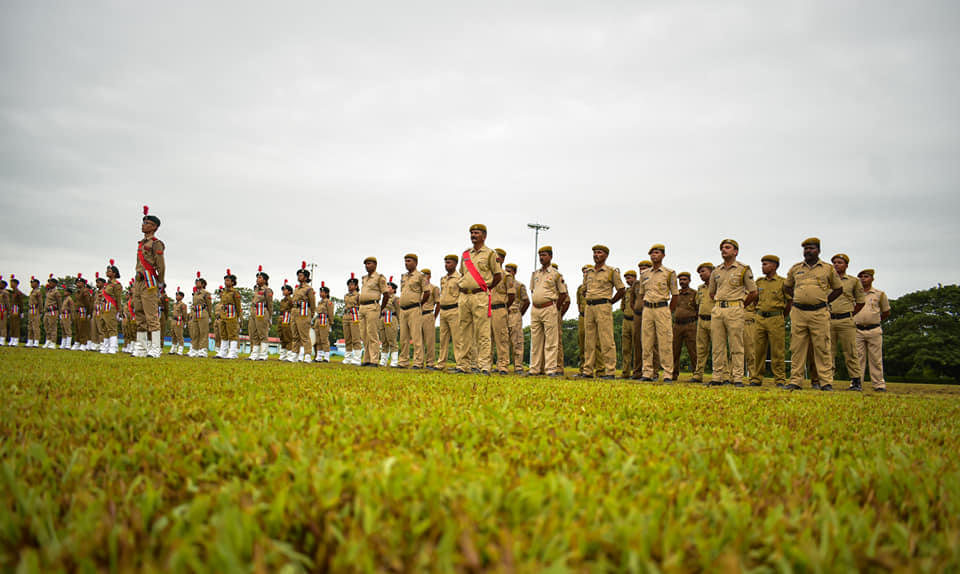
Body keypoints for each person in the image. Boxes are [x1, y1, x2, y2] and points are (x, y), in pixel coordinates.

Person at [784, 238, 843, 391]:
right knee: (797, 348)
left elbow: (838, 289)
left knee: (822, 347)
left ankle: (826, 382)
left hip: (819, 313)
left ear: (818, 250)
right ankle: (795, 381)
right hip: (798, 312)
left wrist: (823, 300)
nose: (808, 251)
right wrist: (797, 297)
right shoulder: (796, 268)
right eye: (805, 249)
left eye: (811, 248)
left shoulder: (828, 268)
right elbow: (787, 286)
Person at [708, 239, 758, 387]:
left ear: (735, 251)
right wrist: (720, 304)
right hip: (718, 308)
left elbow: (753, 292)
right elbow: (712, 293)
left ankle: (737, 377)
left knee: (736, 345)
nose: (724, 250)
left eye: (728, 247)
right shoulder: (716, 271)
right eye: (722, 248)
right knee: (717, 346)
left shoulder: (743, 269)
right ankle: (717, 376)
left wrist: (741, 304)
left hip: (735, 308)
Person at [456, 224, 502, 374]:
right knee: (463, 332)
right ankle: (463, 365)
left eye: (476, 233)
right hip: (464, 296)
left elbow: (498, 275)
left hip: (480, 296)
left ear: (484, 236)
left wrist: (487, 289)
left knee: (483, 332)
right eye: (471, 233)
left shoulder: (490, 254)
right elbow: (463, 274)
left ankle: (484, 366)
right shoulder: (465, 255)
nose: (473, 235)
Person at [578, 245, 625, 380]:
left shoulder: (611, 271)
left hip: (603, 306)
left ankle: (610, 371)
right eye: (594, 252)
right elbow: (584, 289)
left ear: (606, 255)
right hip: (589, 306)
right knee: (589, 340)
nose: (596, 255)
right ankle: (587, 370)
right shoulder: (589, 272)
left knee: (606, 339)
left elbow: (621, 290)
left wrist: (611, 302)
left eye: (599, 252)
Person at [635, 244, 678, 382]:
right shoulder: (644, 274)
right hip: (647, 309)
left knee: (665, 342)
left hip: (662, 308)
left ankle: (667, 373)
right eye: (652, 253)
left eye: (657, 252)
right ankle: (647, 373)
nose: (654, 255)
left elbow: (675, 295)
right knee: (646, 342)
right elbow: (641, 294)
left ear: (663, 255)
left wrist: (668, 311)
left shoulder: (669, 273)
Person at [527, 246, 567, 376]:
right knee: (536, 340)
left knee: (551, 341)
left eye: (544, 255)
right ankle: (534, 369)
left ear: (550, 257)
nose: (541, 257)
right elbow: (533, 290)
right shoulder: (535, 274)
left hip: (549, 308)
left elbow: (563, 294)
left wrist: (555, 307)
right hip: (536, 309)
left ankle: (550, 369)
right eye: (540, 255)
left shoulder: (556, 274)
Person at [132, 206, 166, 358]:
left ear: (154, 227)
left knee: (151, 315)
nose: (143, 225)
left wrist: (160, 283)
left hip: (150, 281)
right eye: (143, 222)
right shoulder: (140, 243)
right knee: (139, 314)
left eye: (146, 223)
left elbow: (161, 265)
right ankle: (141, 347)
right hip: (138, 281)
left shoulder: (156, 243)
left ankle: (155, 347)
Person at [751, 255, 789, 387]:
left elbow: (789, 301)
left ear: (774, 266)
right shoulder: (759, 282)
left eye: (765, 264)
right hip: (760, 317)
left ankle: (779, 380)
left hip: (776, 317)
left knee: (777, 351)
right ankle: (756, 378)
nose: (763, 266)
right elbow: (755, 299)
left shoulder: (783, 282)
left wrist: (782, 315)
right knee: (758, 350)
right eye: (762, 264)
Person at [829, 253, 866, 389]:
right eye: (834, 262)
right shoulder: (827, 280)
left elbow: (861, 302)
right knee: (828, 352)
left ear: (846, 265)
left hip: (846, 320)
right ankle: (828, 380)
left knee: (850, 351)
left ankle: (855, 380)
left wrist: (850, 313)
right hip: (828, 319)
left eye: (840, 262)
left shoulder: (853, 281)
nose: (836, 265)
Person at [853, 269, 890, 392]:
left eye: (866, 276)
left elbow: (886, 312)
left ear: (872, 278)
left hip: (874, 329)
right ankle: (856, 384)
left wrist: (874, 320)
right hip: (857, 329)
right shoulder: (854, 294)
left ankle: (879, 385)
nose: (863, 279)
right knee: (857, 359)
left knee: (876, 359)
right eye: (861, 277)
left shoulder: (879, 294)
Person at [396, 254, 428, 369]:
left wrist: (419, 303)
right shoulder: (403, 276)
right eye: (405, 261)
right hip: (403, 310)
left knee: (416, 337)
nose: (406, 263)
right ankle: (403, 361)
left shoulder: (420, 276)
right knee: (403, 338)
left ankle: (418, 362)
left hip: (414, 309)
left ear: (415, 263)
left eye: (409, 261)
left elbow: (427, 292)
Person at [489, 248, 516, 375]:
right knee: (486, 339)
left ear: (503, 259)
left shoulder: (507, 276)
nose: (495, 259)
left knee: (501, 339)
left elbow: (511, 296)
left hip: (499, 308)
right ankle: (486, 365)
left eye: (498, 257)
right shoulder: (488, 275)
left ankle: (503, 366)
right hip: (487, 309)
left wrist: (504, 307)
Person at [359, 257, 390, 366]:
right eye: (366, 264)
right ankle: (366, 358)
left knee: (372, 333)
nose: (367, 266)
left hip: (373, 306)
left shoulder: (379, 278)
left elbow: (386, 294)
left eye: (369, 263)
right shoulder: (364, 278)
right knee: (363, 334)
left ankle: (374, 359)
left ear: (375, 265)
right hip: (362, 307)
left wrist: (381, 308)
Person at [436, 255, 462, 370]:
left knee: (457, 339)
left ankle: (460, 363)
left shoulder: (459, 278)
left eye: (449, 263)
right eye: (445, 263)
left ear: (456, 264)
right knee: (443, 339)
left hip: (454, 310)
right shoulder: (443, 279)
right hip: (443, 310)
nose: (446, 265)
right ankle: (441, 363)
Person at [671, 271, 698, 381]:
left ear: (689, 281)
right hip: (677, 325)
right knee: (674, 350)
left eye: (684, 279)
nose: (682, 282)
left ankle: (696, 373)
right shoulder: (676, 294)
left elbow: (698, 309)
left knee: (693, 350)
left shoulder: (694, 293)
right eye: (680, 280)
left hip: (690, 325)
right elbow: (671, 307)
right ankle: (673, 373)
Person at [691, 263, 715, 383]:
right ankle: (698, 374)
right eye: (699, 272)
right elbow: (696, 304)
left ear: (711, 272)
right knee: (700, 349)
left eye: (703, 271)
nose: (701, 274)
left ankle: (722, 375)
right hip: (701, 320)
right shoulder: (700, 288)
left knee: (717, 349)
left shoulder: (718, 286)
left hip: (715, 320)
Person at [505, 263, 529, 373]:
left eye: (509, 271)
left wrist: (519, 314)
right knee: (502, 341)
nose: (507, 273)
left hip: (515, 313)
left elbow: (527, 301)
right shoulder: (501, 284)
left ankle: (518, 366)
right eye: (506, 271)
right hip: (503, 313)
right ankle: (503, 365)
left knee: (517, 341)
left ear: (514, 272)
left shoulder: (519, 286)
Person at [290, 263, 316, 363]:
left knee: (304, 335)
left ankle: (307, 355)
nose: (298, 277)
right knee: (295, 335)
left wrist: (312, 314)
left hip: (304, 312)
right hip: (295, 311)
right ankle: (295, 355)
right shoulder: (296, 289)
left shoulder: (308, 289)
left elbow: (312, 303)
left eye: (300, 275)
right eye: (298, 275)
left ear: (305, 277)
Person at [248, 266, 273, 361]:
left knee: (262, 334)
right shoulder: (256, 290)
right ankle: (254, 354)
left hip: (262, 311)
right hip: (254, 312)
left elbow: (270, 304)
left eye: (260, 278)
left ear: (265, 280)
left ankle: (263, 354)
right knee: (253, 334)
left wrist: (270, 316)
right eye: (257, 278)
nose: (257, 280)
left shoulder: (267, 290)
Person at [217, 270, 243, 360]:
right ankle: (223, 352)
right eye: (225, 280)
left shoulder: (235, 292)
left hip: (231, 314)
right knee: (223, 334)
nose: (226, 282)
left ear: (233, 282)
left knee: (232, 334)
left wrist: (239, 317)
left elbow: (238, 305)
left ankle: (232, 352)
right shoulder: (224, 292)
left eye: (228, 280)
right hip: (223, 314)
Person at [420, 269, 441, 370]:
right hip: (417, 315)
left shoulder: (434, 288)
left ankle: (430, 363)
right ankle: (418, 362)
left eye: (425, 275)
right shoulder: (418, 289)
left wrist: (434, 316)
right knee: (418, 341)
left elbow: (438, 303)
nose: (424, 277)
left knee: (429, 341)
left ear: (430, 276)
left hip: (428, 314)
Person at [190, 273, 212, 358]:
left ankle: (203, 350)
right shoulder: (195, 293)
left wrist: (209, 315)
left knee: (203, 332)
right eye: (196, 282)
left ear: (203, 284)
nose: (197, 284)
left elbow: (209, 305)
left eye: (199, 282)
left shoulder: (206, 293)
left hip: (203, 312)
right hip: (195, 313)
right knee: (195, 332)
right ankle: (195, 349)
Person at [620, 270, 637, 378]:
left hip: (636, 320)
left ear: (635, 278)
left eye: (630, 278)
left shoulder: (639, 290)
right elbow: (622, 306)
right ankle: (625, 372)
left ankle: (636, 372)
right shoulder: (626, 291)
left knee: (637, 348)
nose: (628, 280)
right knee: (625, 348)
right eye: (626, 278)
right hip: (626, 320)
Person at [342, 275, 362, 365]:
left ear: (356, 286)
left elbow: (360, 307)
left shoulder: (358, 295)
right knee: (347, 338)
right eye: (349, 284)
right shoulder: (346, 296)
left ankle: (357, 358)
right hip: (346, 315)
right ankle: (348, 358)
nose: (350, 286)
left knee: (356, 337)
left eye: (352, 284)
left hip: (355, 315)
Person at [380, 281, 400, 366]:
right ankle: (383, 360)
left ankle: (394, 361)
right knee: (383, 340)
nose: (387, 288)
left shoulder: (396, 298)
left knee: (392, 340)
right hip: (382, 318)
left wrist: (400, 323)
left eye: (389, 287)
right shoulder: (384, 297)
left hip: (391, 318)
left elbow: (399, 311)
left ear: (394, 290)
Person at [314, 283, 334, 363]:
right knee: (318, 339)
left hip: (324, 320)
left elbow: (330, 313)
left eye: (322, 292)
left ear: (326, 293)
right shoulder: (319, 302)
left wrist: (330, 323)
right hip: (318, 320)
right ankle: (319, 356)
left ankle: (326, 356)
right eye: (320, 292)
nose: (321, 294)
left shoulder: (328, 302)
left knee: (324, 339)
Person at [278, 282, 294, 361]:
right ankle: (282, 355)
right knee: (282, 336)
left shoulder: (291, 300)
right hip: (281, 317)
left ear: (290, 291)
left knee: (288, 336)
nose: (283, 291)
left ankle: (289, 355)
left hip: (287, 317)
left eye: (285, 290)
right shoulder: (282, 300)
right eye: (283, 290)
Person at [7, 276, 23, 346]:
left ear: (16, 284)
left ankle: (16, 340)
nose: (11, 284)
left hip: (16, 309)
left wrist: (21, 311)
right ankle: (12, 339)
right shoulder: (12, 292)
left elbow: (21, 303)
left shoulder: (18, 292)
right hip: (12, 309)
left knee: (16, 325)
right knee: (12, 325)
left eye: (12, 283)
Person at [58, 283, 74, 349]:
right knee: (63, 329)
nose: (64, 292)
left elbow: (72, 308)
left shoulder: (69, 299)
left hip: (67, 315)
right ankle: (63, 344)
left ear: (69, 293)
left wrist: (72, 318)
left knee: (67, 329)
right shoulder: (65, 299)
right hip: (63, 314)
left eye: (66, 291)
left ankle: (68, 344)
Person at [0, 277, 8, 346]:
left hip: (2, 310)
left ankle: (2, 340)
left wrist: (8, 311)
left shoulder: (5, 293)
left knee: (2, 326)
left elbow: (7, 303)